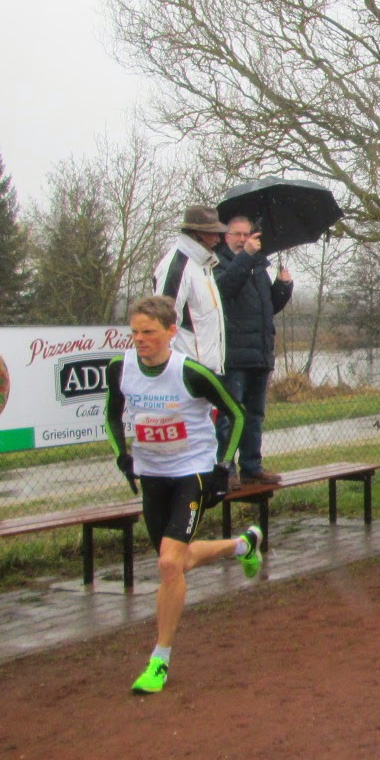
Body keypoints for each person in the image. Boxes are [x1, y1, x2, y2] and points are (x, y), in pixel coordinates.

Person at [104, 295, 262, 694]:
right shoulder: (120, 368)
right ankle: (242, 545)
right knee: (176, 561)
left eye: (148, 332)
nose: (139, 339)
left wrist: (223, 466)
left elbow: (237, 412)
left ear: (171, 332)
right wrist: (122, 455)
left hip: (191, 472)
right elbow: (111, 414)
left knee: (169, 563)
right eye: (134, 332)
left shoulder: (190, 372)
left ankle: (158, 661)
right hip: (152, 475)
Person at [212, 215, 293, 485]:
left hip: (260, 354)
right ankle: (226, 470)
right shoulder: (218, 263)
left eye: (247, 234)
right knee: (229, 415)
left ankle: (251, 466)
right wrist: (245, 257)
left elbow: (267, 306)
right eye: (237, 234)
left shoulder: (258, 265)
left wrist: (283, 287)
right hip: (233, 356)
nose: (243, 239)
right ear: (226, 237)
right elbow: (224, 291)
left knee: (254, 415)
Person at [153, 206, 228, 374]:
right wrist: (167, 373)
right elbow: (163, 323)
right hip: (185, 371)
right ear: (196, 233)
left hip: (206, 372)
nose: (218, 239)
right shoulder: (177, 267)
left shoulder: (203, 265)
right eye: (212, 233)